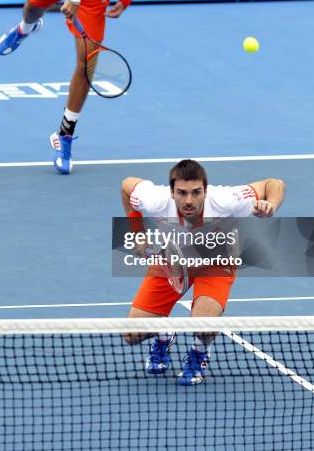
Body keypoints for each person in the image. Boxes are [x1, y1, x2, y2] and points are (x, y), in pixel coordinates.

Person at [0, 0, 188, 174]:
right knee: (31, 8)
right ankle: (25, 29)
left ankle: (64, 135)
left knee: (88, 64)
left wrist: (124, 1)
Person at [121, 159, 285, 385]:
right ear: (171, 192)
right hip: (172, 258)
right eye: (182, 193)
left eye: (196, 192)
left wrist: (271, 206)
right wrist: (138, 233)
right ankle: (165, 333)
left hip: (216, 262)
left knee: (203, 324)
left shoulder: (226, 200)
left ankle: (199, 353)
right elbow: (127, 185)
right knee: (131, 335)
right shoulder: (154, 199)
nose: (189, 200)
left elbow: (273, 184)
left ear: (206, 191)